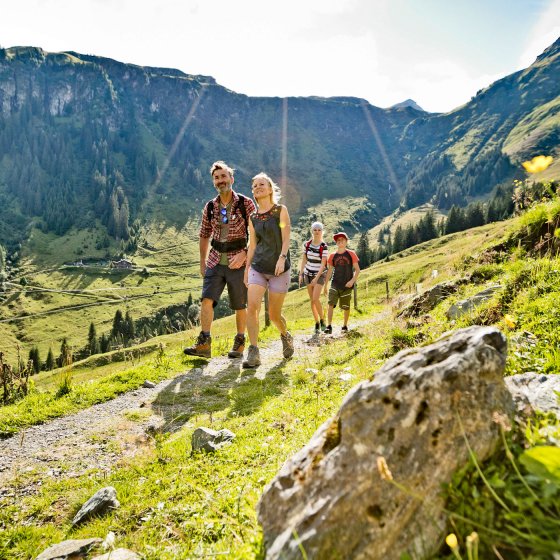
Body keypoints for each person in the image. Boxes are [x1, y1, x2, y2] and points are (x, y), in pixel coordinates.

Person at [184, 161, 256, 359]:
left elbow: (257, 233)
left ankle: (240, 342)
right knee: (206, 300)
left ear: (231, 179)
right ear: (213, 182)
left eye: (224, 176)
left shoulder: (245, 203)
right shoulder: (210, 207)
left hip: (238, 261)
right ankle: (204, 344)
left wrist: (245, 254)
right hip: (215, 261)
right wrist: (202, 261)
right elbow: (204, 234)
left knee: (240, 304)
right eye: (216, 178)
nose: (220, 181)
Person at [243, 172, 293, 368]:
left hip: (279, 268)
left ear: (271, 189)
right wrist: (247, 268)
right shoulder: (253, 217)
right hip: (258, 266)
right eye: (254, 186)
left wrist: (282, 258)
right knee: (252, 307)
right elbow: (253, 245)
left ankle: (285, 334)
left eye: (262, 184)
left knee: (273, 315)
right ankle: (253, 352)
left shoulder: (280, 210)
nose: (258, 187)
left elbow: (286, 237)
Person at [322, 232, 360, 334]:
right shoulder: (332, 256)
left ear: (346, 241)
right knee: (330, 304)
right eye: (338, 240)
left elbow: (357, 269)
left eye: (342, 240)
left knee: (346, 307)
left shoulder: (351, 254)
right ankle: (329, 326)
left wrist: (352, 281)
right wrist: (325, 285)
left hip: (347, 285)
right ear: (336, 243)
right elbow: (329, 271)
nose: (340, 242)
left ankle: (344, 326)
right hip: (335, 283)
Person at [298, 222, 328, 333]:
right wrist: (301, 274)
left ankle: (322, 320)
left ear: (322, 231)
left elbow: (323, 263)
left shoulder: (323, 246)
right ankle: (316, 322)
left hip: (319, 275)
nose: (317, 231)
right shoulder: (306, 244)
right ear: (312, 231)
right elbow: (304, 260)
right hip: (308, 274)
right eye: (315, 229)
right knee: (312, 301)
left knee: (316, 299)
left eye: (319, 230)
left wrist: (317, 277)